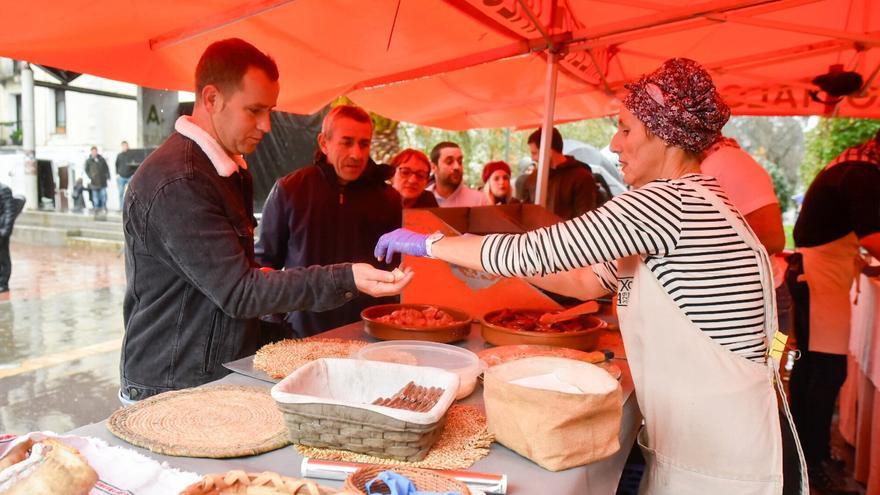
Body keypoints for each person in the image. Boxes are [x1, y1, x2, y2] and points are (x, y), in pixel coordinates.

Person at [376, 58, 806, 494]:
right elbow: (588, 278)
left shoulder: (666, 202)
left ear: (664, 135)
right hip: (711, 440)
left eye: (625, 129)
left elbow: (537, 251)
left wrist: (429, 243)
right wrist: (484, 259)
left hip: (718, 460)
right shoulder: (697, 198)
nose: (614, 145)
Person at [121, 39, 411, 402]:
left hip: (214, 370)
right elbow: (239, 292)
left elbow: (242, 278)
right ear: (211, 99)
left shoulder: (227, 171)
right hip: (172, 383)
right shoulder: (181, 181)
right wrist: (345, 276)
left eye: (269, 110)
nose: (267, 125)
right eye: (254, 110)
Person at [255, 105, 403, 337]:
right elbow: (264, 264)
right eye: (346, 142)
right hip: (300, 333)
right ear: (324, 143)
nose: (357, 153)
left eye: (364, 144)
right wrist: (276, 323)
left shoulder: (389, 199)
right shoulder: (290, 189)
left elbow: (393, 270)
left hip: (366, 331)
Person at [787, 129, 880, 495]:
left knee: (813, 367)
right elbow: (874, 237)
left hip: (821, 275)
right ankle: (811, 459)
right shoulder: (860, 174)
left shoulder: (854, 165)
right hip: (819, 278)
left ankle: (805, 452)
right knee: (824, 372)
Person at [700, 137, 794, 337]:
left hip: (766, 305)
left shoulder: (724, 163)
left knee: (773, 362)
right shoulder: (720, 160)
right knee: (771, 364)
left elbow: (774, 238)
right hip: (763, 302)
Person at [521, 127, 598, 220]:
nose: (532, 158)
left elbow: (585, 220)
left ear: (547, 150)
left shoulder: (582, 178)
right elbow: (526, 216)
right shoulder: (532, 179)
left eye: (534, 153)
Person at [425, 142, 489, 207]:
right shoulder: (421, 199)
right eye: (449, 162)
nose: (457, 167)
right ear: (433, 167)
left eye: (460, 161)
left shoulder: (479, 200)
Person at [0, 181, 23, 293]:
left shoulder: (4, 190)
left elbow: (9, 211)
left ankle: (3, 283)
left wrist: (5, 231)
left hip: (1, 229)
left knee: (3, 257)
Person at [84, 146, 110, 213]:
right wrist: (90, 176)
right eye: (93, 152)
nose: (94, 153)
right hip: (94, 182)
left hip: (102, 181)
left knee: (103, 196)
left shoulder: (101, 159)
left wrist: (107, 176)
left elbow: (106, 168)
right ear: (91, 152)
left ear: (97, 152)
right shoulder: (88, 161)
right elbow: (86, 170)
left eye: (95, 151)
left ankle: (103, 208)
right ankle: (96, 210)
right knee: (95, 198)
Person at [115, 140, 137, 210]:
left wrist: (133, 174)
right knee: (121, 193)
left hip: (130, 176)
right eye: (123, 146)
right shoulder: (119, 155)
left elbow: (135, 165)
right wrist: (117, 174)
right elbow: (116, 165)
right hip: (121, 177)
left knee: (131, 193)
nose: (125, 147)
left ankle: (130, 207)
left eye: (126, 146)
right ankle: (121, 207)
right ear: (122, 147)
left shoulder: (131, 155)